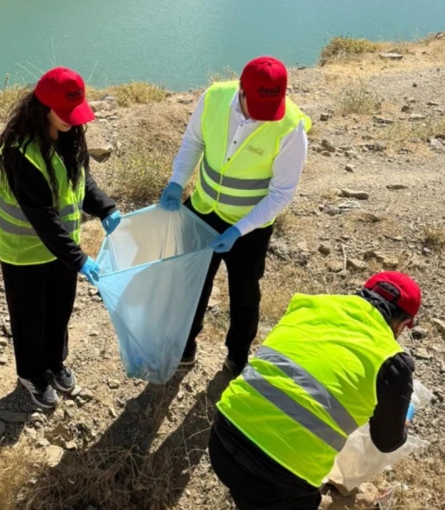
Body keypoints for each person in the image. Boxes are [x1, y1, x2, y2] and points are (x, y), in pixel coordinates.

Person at [209, 272, 420, 510]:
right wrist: (405, 416)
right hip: (280, 480)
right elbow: (387, 442)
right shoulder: (393, 362)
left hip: (222, 437)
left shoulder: (309, 304)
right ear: (402, 324)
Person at [159, 56, 311, 375]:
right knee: (192, 285)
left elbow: (282, 193)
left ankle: (237, 356)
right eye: (256, 104)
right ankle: (185, 347)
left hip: (249, 229)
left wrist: (239, 230)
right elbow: (193, 142)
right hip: (201, 212)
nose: (263, 116)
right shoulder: (214, 97)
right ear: (241, 89)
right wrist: (176, 182)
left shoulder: (291, 127)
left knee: (244, 295)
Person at [0, 67, 121, 409]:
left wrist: (106, 208)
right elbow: (44, 219)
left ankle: (54, 362)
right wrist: (80, 258)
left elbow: (82, 181)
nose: (71, 121)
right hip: (25, 253)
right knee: (30, 316)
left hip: (61, 250)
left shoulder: (70, 134)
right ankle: (32, 374)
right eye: (64, 114)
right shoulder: (19, 153)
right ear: (42, 108)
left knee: (59, 311)